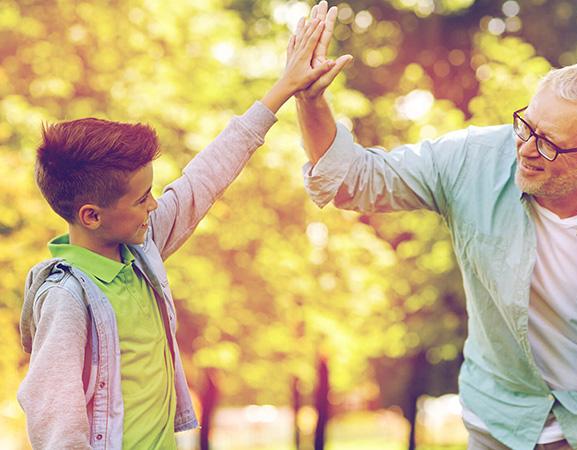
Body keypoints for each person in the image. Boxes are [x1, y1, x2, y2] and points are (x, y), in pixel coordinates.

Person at [295, 3, 577, 449]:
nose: (527, 149)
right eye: (526, 126)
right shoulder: (471, 161)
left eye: (549, 143)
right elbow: (351, 181)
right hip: (500, 419)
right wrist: (311, 100)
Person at [16, 17, 346, 449]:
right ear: (91, 216)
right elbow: (54, 417)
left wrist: (283, 88)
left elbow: (203, 180)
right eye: (141, 199)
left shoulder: (138, 254)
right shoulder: (68, 299)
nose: (153, 205)